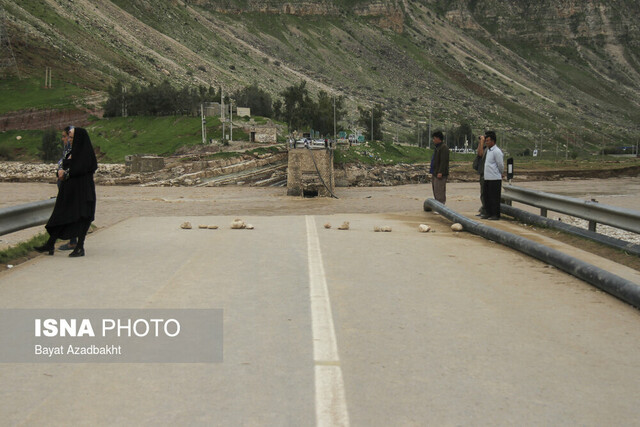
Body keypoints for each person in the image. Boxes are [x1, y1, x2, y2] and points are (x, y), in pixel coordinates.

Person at [35, 127, 97, 257]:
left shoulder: (85, 153)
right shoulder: (70, 151)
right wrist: (60, 173)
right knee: (60, 215)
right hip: (68, 192)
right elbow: (64, 167)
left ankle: (79, 247)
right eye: (69, 137)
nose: (69, 140)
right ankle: (50, 244)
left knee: (81, 218)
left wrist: (66, 173)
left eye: (72, 137)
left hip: (82, 192)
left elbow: (81, 169)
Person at [56, 126, 78, 251]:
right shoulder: (67, 150)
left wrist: (64, 172)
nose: (65, 139)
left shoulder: (74, 150)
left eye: (67, 137)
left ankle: (73, 241)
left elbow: (69, 166)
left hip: (70, 185)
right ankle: (72, 240)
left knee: (70, 212)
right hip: (65, 184)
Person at [481, 131, 504, 220]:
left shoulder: (497, 151)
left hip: (495, 178)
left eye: (488, 141)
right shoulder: (488, 151)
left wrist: (500, 173)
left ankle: (495, 214)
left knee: (494, 198)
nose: (486, 142)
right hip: (487, 177)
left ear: (493, 141)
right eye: (486, 141)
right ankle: (488, 213)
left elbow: (500, 165)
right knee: (487, 197)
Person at [429, 130, 449, 205]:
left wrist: (440, 172)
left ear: (438, 138)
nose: (433, 140)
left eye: (434, 138)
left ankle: (441, 206)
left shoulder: (444, 148)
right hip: (435, 172)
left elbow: (444, 161)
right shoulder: (437, 147)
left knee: (440, 191)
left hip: (440, 174)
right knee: (436, 190)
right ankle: (437, 206)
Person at [474, 134, 487, 217]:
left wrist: (482, 141)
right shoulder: (485, 148)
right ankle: (484, 209)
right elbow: (479, 153)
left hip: (487, 175)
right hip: (483, 174)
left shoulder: (489, 150)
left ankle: (486, 210)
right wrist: (480, 143)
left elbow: (481, 154)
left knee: (486, 194)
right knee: (483, 194)